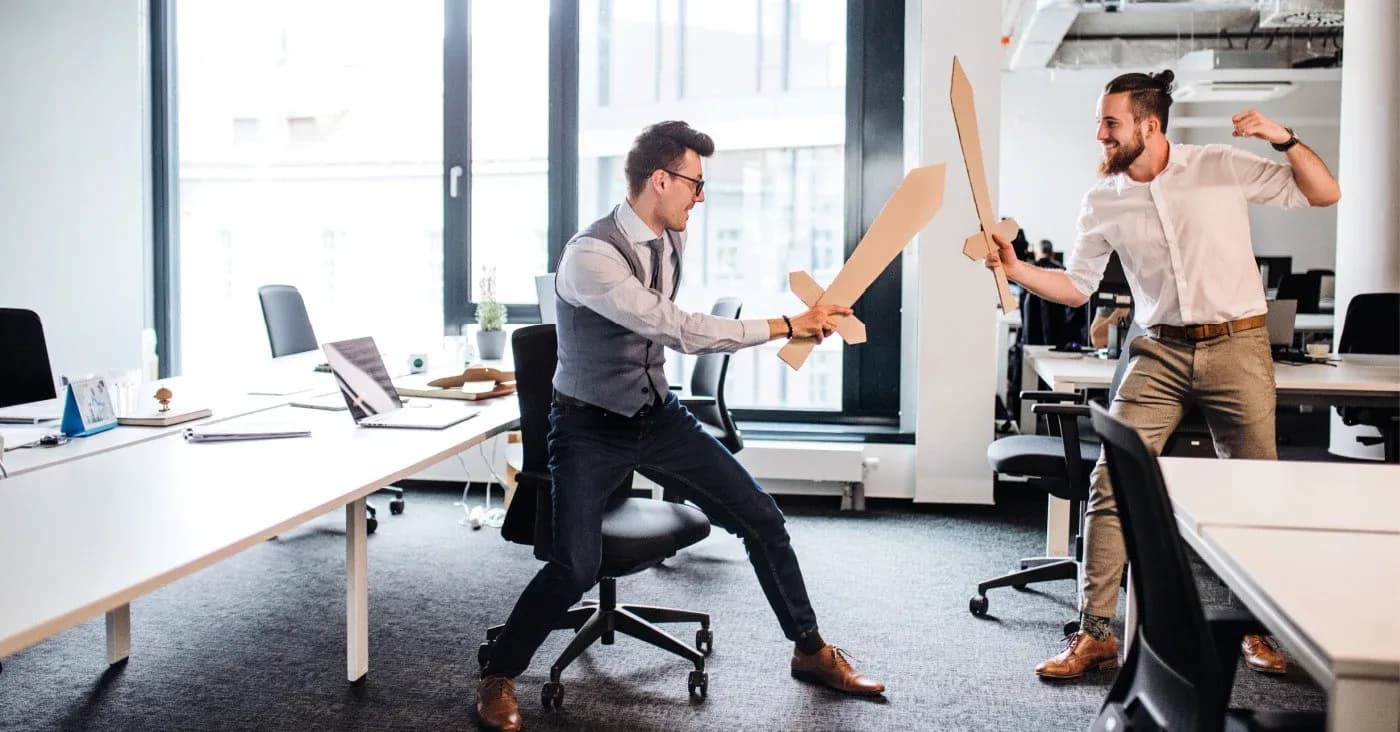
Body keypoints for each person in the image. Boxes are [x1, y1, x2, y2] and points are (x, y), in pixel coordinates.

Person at [475, 121, 885, 732]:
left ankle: (810, 650)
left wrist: (798, 321)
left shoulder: (671, 239)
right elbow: (675, 328)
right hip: (587, 426)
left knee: (762, 519)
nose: (701, 196)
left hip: (655, 414)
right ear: (659, 180)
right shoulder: (589, 255)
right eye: (695, 182)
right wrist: (785, 325)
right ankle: (499, 675)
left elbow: (667, 333)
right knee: (575, 567)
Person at [984, 70, 1340, 680]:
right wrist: (1015, 270)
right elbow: (1076, 288)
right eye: (1100, 122)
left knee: (1255, 492)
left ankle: (1259, 629)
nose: (1099, 134)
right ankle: (1095, 633)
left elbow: (1324, 192)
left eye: (1110, 123)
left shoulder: (1217, 165)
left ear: (1149, 125)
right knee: (1111, 481)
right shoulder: (1103, 200)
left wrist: (1283, 138)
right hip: (1158, 352)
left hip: (1238, 344)